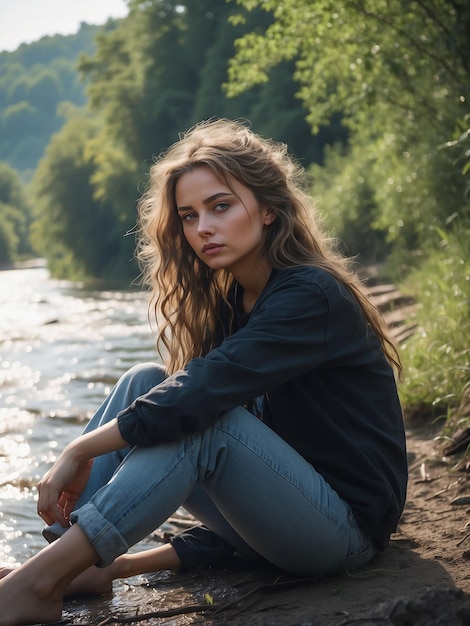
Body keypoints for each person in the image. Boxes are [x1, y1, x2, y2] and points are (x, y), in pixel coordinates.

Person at [0, 118, 407, 625]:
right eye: (189, 216)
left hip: (344, 536)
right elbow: (254, 488)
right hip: (290, 523)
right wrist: (122, 565)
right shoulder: (236, 302)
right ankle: (63, 566)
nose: (202, 229)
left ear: (269, 210)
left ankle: (39, 582)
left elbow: (203, 405)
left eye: (220, 206)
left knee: (198, 415)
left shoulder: (311, 296)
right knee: (145, 382)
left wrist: (78, 447)